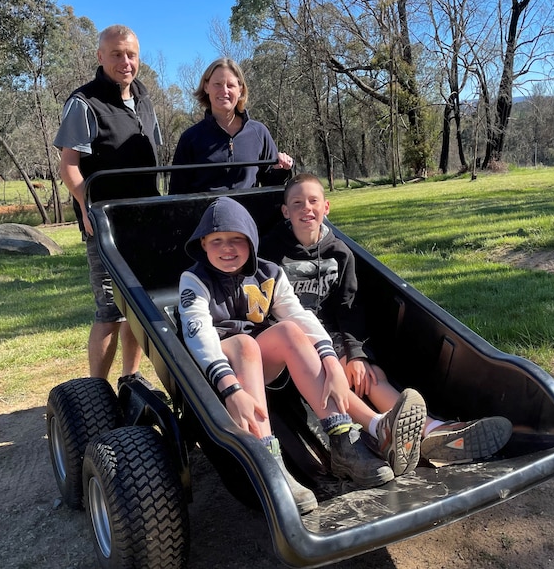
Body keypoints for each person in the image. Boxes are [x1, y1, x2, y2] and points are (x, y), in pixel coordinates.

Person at [178, 196, 426, 514]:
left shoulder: (269, 273)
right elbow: (199, 335)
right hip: (218, 368)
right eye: (218, 241)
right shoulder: (195, 280)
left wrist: (330, 361)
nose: (228, 249)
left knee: (290, 331)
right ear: (203, 243)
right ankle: (268, 465)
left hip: (261, 362)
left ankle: (343, 442)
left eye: (237, 240)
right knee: (244, 343)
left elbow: (299, 315)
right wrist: (230, 388)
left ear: (251, 242)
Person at [260, 173, 514, 468]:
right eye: (297, 203)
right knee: (330, 374)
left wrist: (356, 354)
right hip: (291, 336)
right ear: (285, 211)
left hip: (329, 332)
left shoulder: (340, 252)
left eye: (313, 201)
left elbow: (348, 307)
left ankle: (431, 431)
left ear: (326, 207)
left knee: (367, 374)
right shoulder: (271, 251)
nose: (307, 208)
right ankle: (381, 428)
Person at [53, 24, 164, 396]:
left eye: (130, 54)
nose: (125, 61)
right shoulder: (84, 103)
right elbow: (69, 166)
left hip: (145, 222)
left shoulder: (145, 99)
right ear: (100, 57)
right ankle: (96, 397)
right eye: (116, 54)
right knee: (110, 312)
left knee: (137, 307)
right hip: (105, 225)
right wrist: (87, 206)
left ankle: (129, 380)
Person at [168, 57, 294, 194]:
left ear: (240, 90)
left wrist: (281, 169)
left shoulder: (259, 133)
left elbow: (272, 187)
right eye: (217, 84)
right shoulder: (190, 138)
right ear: (206, 87)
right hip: (206, 214)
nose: (224, 91)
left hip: (248, 214)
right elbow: (177, 194)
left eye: (230, 85)